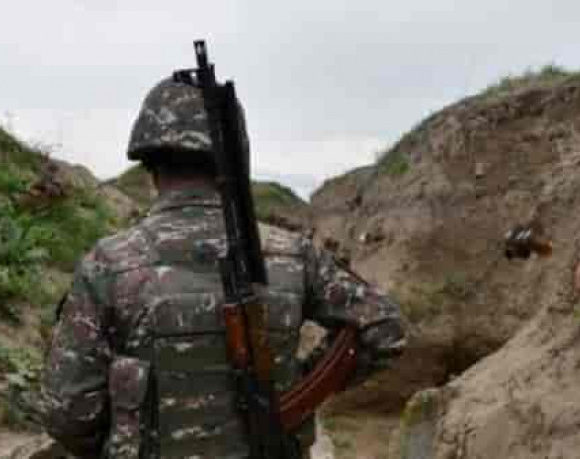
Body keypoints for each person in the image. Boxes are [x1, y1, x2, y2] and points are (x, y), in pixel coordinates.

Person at [41, 76, 406, 459]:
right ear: (234, 156)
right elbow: (384, 329)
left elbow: (68, 413)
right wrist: (294, 390)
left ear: (149, 161)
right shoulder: (293, 254)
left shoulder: (108, 263)